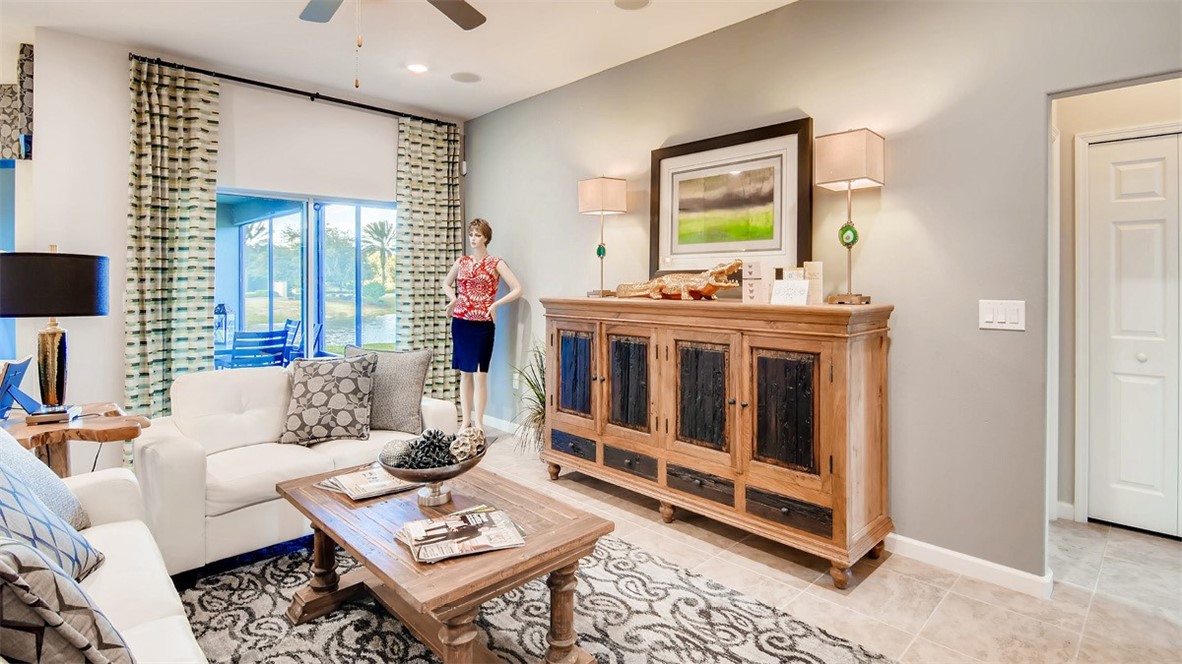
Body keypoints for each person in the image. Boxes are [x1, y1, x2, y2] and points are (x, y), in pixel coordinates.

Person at [442, 218, 523, 430]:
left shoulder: (496, 263)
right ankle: (465, 420)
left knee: (480, 374)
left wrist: (496, 304)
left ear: (486, 238)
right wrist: (453, 299)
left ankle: (479, 423)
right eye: (471, 234)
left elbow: (517, 289)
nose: (473, 239)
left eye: (478, 235)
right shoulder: (462, 262)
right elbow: (445, 283)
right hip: (461, 322)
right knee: (464, 373)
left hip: (483, 324)